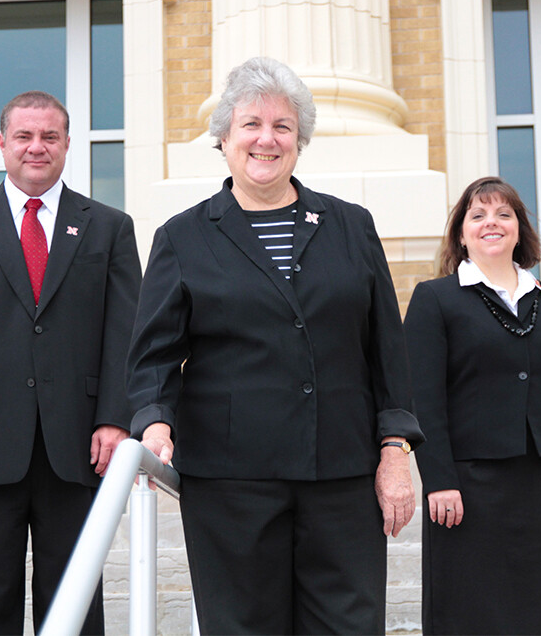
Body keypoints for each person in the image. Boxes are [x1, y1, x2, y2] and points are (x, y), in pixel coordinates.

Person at [127, 56, 425, 635]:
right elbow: (153, 354)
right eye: (251, 124)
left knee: (349, 626)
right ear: (224, 136)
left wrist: (395, 451)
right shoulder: (182, 236)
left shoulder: (351, 225)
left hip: (342, 473)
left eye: (282, 126)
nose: (267, 139)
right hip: (230, 482)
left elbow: (387, 350)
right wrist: (154, 421)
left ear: (299, 140)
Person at [0, 90, 142, 635]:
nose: (37, 147)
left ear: (67, 144)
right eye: (24, 136)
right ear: (2, 143)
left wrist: (116, 418)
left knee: (74, 611)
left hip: (80, 447)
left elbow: (127, 334)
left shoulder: (109, 227)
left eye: (49, 137)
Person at [404, 176, 541, 635]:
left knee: (537, 611)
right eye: (477, 215)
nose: (490, 223)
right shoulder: (435, 299)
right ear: (461, 233)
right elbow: (423, 399)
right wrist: (439, 480)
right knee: (467, 610)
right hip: (466, 489)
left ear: (519, 230)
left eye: (503, 214)